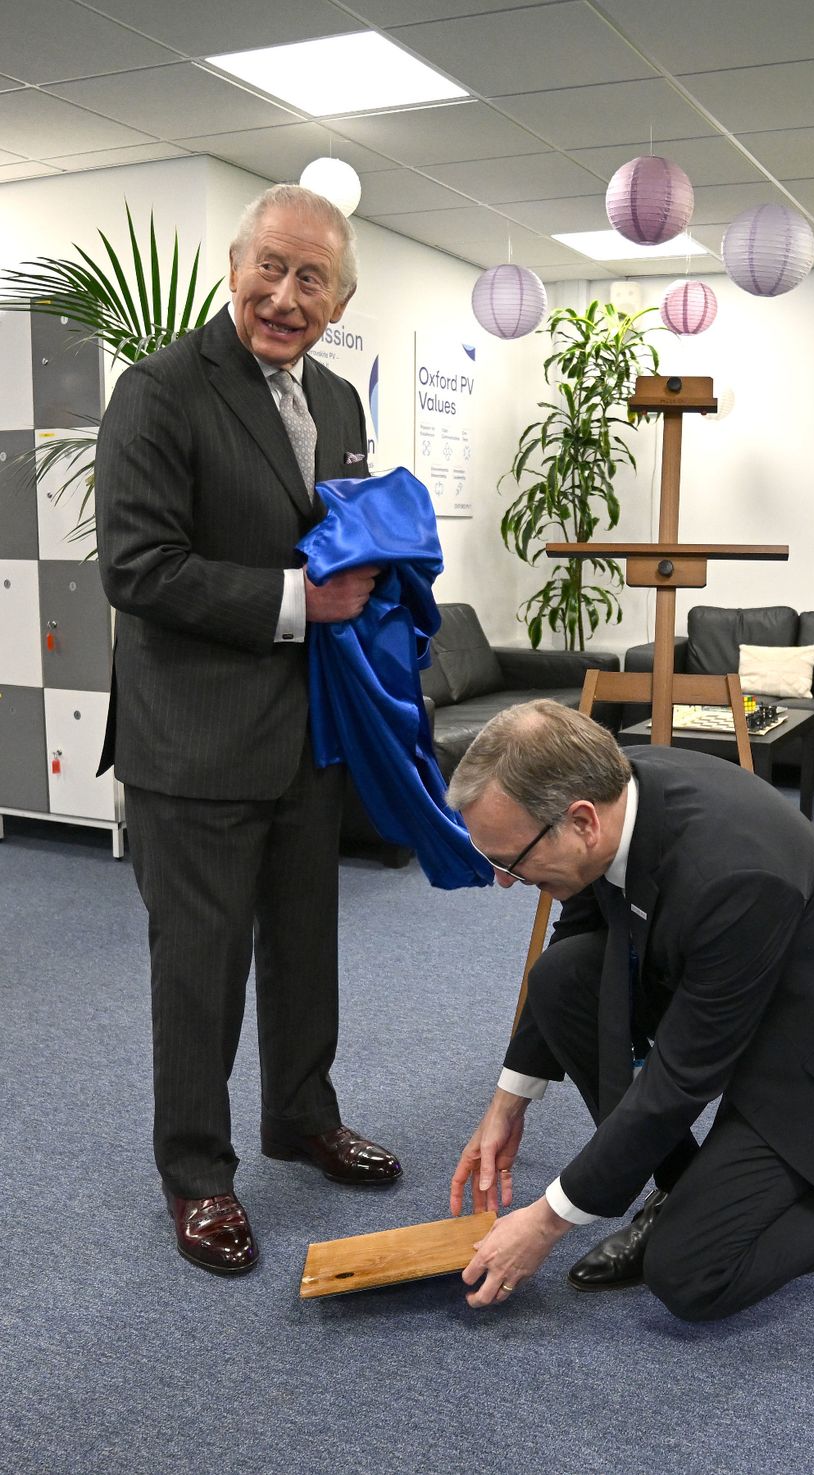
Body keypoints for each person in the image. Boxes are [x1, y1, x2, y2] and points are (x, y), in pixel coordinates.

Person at [445, 701, 814, 1323]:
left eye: (510, 860)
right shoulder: (614, 786)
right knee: (563, 977)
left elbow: (679, 1079)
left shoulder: (734, 874)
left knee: (693, 1274)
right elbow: (581, 932)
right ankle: (681, 1189)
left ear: (582, 821)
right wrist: (508, 1101)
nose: (506, 881)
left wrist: (546, 1219)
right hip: (716, 993)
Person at [95, 184, 401, 1278]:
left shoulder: (338, 400)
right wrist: (295, 602)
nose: (285, 293)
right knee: (201, 968)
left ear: (338, 299)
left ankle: (300, 1115)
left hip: (306, 732)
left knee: (306, 946)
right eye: (270, 266)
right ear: (236, 267)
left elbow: (343, 531)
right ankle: (198, 1172)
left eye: (311, 277)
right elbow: (136, 567)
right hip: (195, 738)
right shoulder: (160, 390)